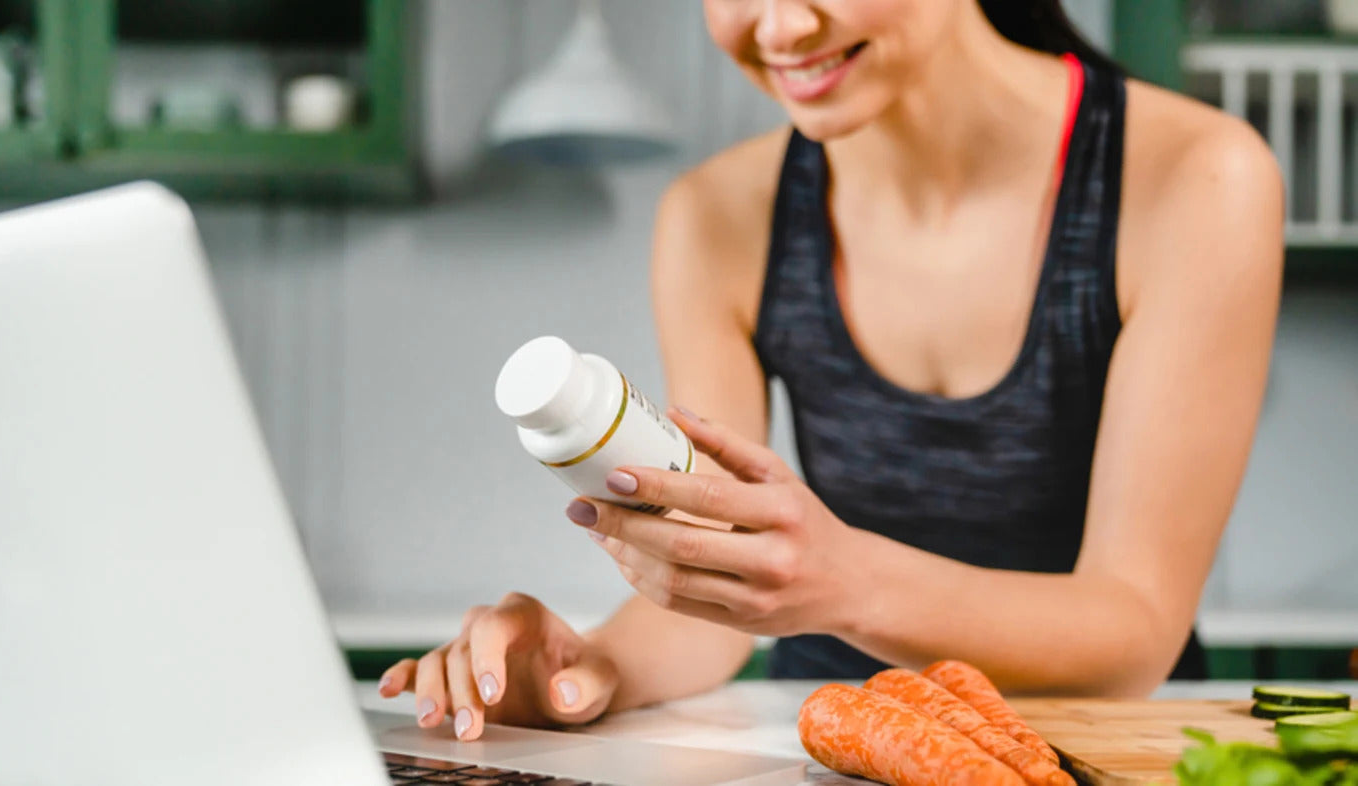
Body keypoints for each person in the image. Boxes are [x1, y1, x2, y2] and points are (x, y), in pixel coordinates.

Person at [381, 0, 1284, 741]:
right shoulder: (718, 217)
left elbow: (1132, 632)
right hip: (826, 745)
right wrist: (586, 669)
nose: (777, 30)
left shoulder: (1195, 178)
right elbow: (716, 586)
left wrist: (843, 582)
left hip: (1101, 749)